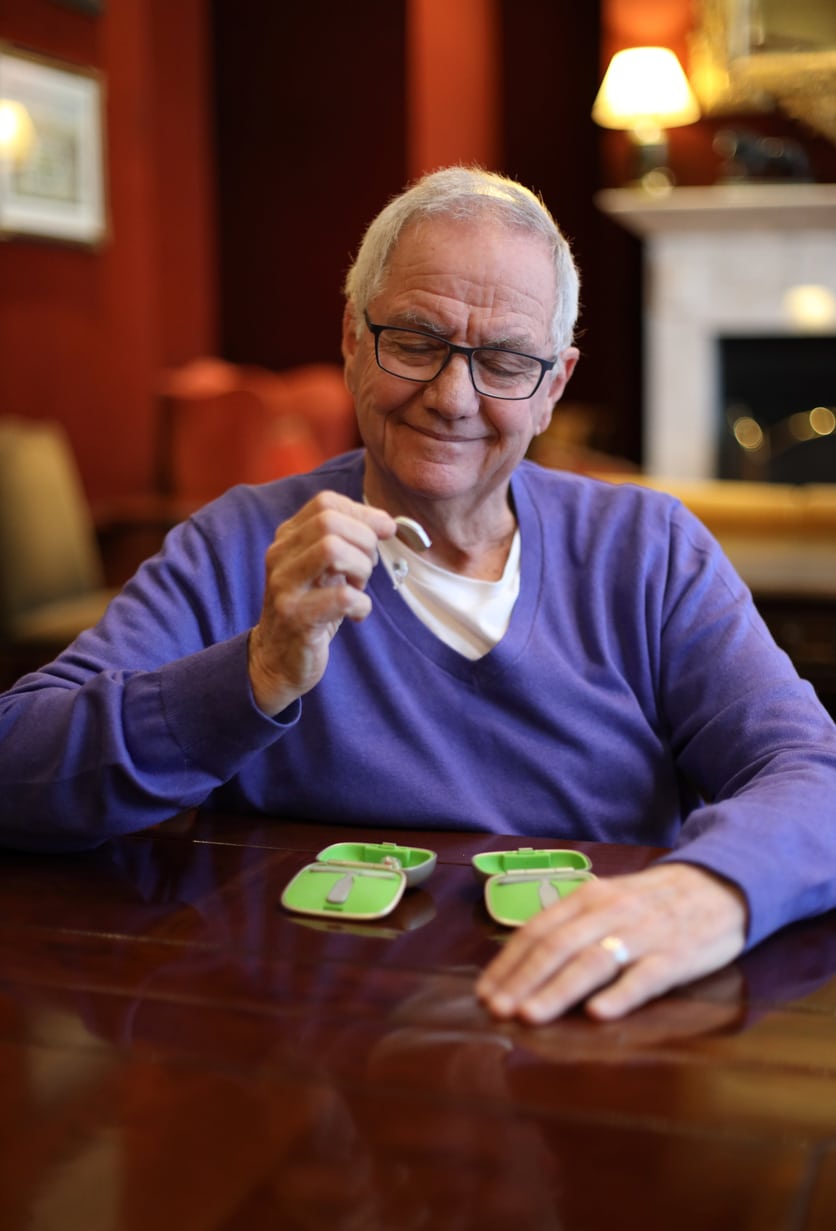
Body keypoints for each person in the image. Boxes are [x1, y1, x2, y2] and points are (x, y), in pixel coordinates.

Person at [1, 166, 834, 1024]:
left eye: (505, 361)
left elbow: (812, 773)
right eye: (414, 341)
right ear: (354, 341)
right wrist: (255, 674)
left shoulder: (649, 549)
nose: (451, 397)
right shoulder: (238, 543)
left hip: (600, 1028)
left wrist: (709, 891)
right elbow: (15, 767)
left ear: (554, 385)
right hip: (318, 1048)